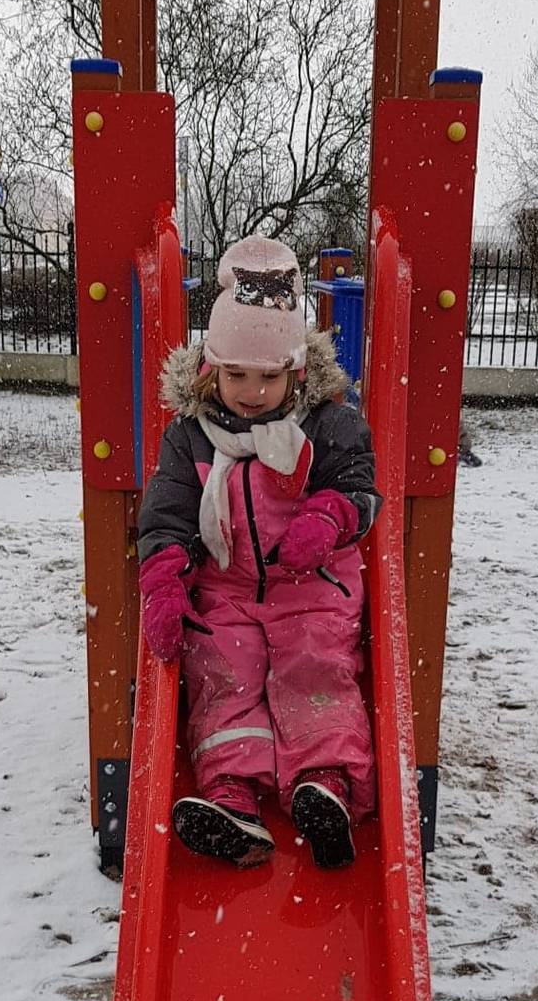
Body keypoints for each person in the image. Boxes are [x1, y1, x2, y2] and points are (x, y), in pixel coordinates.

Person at [137, 236, 380, 871]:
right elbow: (167, 513)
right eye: (236, 374)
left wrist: (328, 515)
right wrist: (164, 579)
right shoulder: (190, 437)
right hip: (227, 590)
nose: (251, 391)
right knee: (223, 670)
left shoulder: (327, 424)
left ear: (296, 373)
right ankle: (232, 797)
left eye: (269, 377)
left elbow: (360, 487)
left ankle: (325, 786)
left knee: (315, 664)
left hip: (314, 587)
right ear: (209, 370)